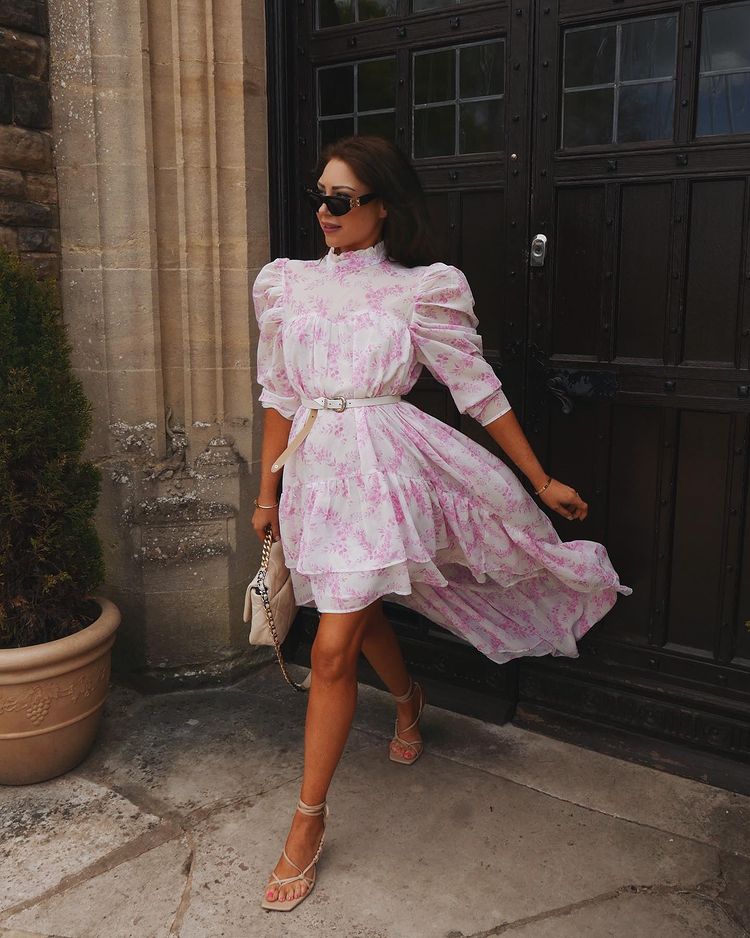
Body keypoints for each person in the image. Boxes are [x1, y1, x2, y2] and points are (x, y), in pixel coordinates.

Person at [251, 135, 631, 912]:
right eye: (319, 195)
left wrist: (541, 477)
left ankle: (307, 822)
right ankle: (409, 698)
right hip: (313, 475)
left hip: (385, 471)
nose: (324, 212)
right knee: (346, 618)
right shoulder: (284, 285)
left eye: (342, 199)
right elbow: (279, 396)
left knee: (329, 650)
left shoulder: (421, 289)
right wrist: (267, 493)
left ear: (384, 205)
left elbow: (476, 389)